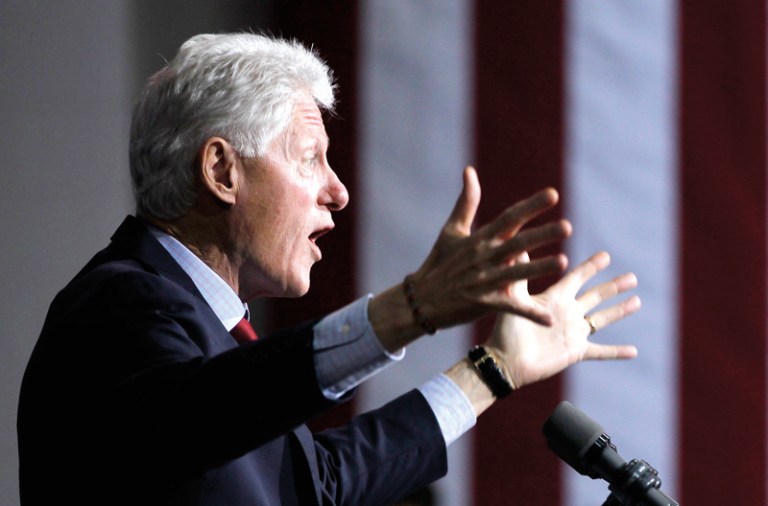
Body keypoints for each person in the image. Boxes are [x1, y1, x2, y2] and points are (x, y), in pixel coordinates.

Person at [17, 33, 641, 505]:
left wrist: (494, 371)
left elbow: (323, 484)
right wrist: (409, 308)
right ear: (222, 171)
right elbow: (209, 413)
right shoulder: (118, 305)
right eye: (310, 159)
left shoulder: (211, 336)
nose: (338, 191)